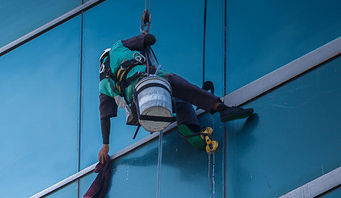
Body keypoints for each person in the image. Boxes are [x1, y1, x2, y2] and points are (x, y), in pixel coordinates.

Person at [98, 31, 254, 162]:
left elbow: (105, 116)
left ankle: (190, 130)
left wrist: (106, 145)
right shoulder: (117, 47)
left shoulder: (104, 84)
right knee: (185, 90)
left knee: (178, 102)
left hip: (140, 101)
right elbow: (149, 40)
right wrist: (144, 37)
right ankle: (222, 109)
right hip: (153, 79)